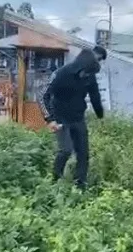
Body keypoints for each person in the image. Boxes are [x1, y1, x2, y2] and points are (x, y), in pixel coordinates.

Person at [39, 45, 106, 189]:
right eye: (86, 74)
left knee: (83, 153)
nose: (88, 77)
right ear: (79, 68)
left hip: (78, 118)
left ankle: (80, 186)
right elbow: (43, 96)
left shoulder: (90, 76)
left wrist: (100, 115)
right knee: (66, 150)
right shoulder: (61, 74)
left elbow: (95, 96)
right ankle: (55, 182)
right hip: (60, 118)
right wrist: (49, 119)